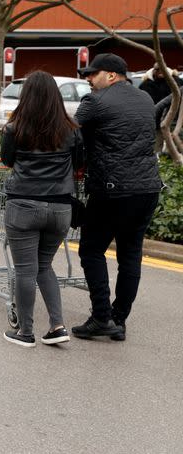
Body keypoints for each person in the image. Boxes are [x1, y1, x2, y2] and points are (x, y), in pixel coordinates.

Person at [72, 53, 163, 341]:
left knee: (91, 249)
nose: (88, 79)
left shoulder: (95, 102)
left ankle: (101, 316)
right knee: (130, 254)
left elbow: (70, 135)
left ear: (111, 75)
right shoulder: (145, 99)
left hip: (112, 190)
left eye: (92, 74)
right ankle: (119, 319)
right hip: (147, 188)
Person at [0, 70, 85, 347]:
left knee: (25, 270)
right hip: (60, 207)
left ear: (26, 97)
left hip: (23, 203)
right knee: (45, 266)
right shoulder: (71, 130)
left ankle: (25, 333)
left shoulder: (15, 128)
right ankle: (57, 326)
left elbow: (7, 161)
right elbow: (78, 162)